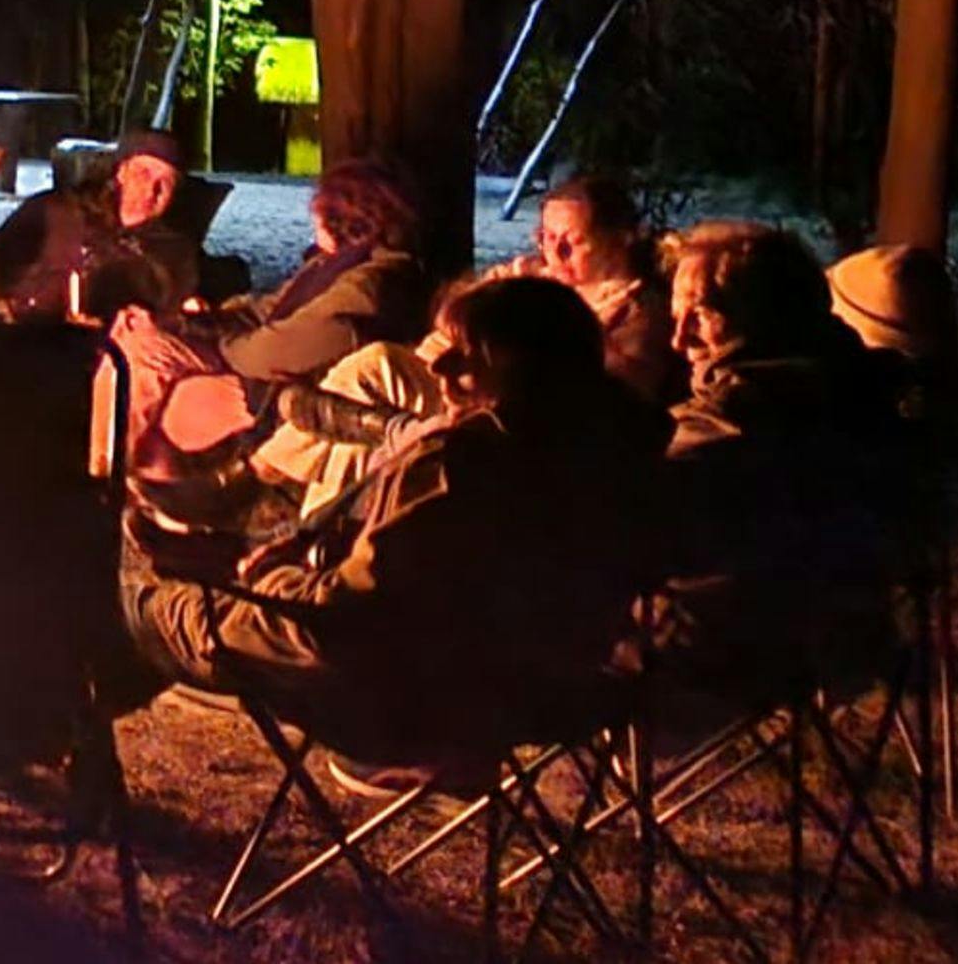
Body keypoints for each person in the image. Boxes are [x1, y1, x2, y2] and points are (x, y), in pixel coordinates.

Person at [117, 277, 667, 764]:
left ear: (516, 366)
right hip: (559, 687)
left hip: (409, 698)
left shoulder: (460, 463)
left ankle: (79, 760)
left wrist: (269, 578)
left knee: (134, 604)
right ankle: (213, 563)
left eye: (464, 356)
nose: (439, 368)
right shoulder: (628, 449)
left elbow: (345, 613)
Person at [654, 221, 910, 696]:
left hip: (729, 646)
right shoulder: (861, 378)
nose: (678, 340)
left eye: (702, 316)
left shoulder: (742, 414)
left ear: (766, 316)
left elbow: (618, 488)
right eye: (676, 316)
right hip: (852, 633)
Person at [107, 159, 432, 486]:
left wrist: (210, 342)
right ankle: (129, 475)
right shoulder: (334, 265)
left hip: (267, 390)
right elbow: (264, 309)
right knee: (132, 330)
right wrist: (189, 323)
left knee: (145, 352)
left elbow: (275, 350)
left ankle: (104, 471)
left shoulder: (367, 287)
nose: (312, 219)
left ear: (342, 217)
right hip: (252, 362)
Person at [0, 128, 206, 322]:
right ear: (121, 172)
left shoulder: (173, 252)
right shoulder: (55, 211)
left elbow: (172, 316)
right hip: (29, 339)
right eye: (143, 173)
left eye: (165, 182)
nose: (152, 190)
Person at [528, 174, 674, 404]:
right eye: (548, 237)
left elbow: (634, 390)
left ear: (620, 239)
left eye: (575, 241)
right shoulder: (531, 280)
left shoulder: (641, 310)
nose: (556, 252)